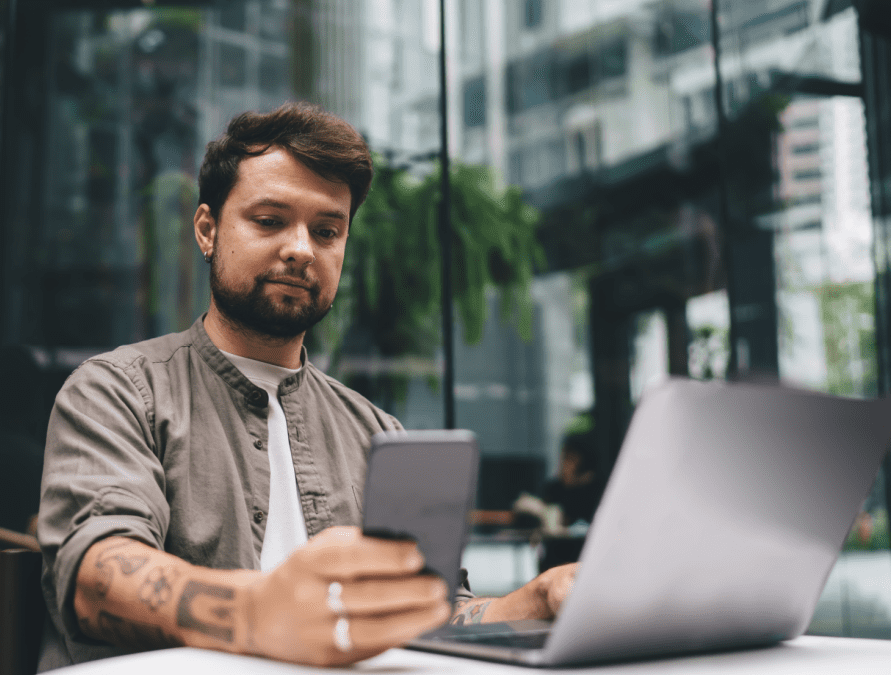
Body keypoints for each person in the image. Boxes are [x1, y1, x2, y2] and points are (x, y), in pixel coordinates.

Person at [37, 102, 576, 670]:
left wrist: (532, 601)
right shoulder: (116, 391)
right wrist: (257, 612)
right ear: (207, 229)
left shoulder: (376, 430)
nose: (301, 248)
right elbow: (96, 578)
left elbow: (431, 613)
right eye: (269, 221)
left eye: (326, 230)